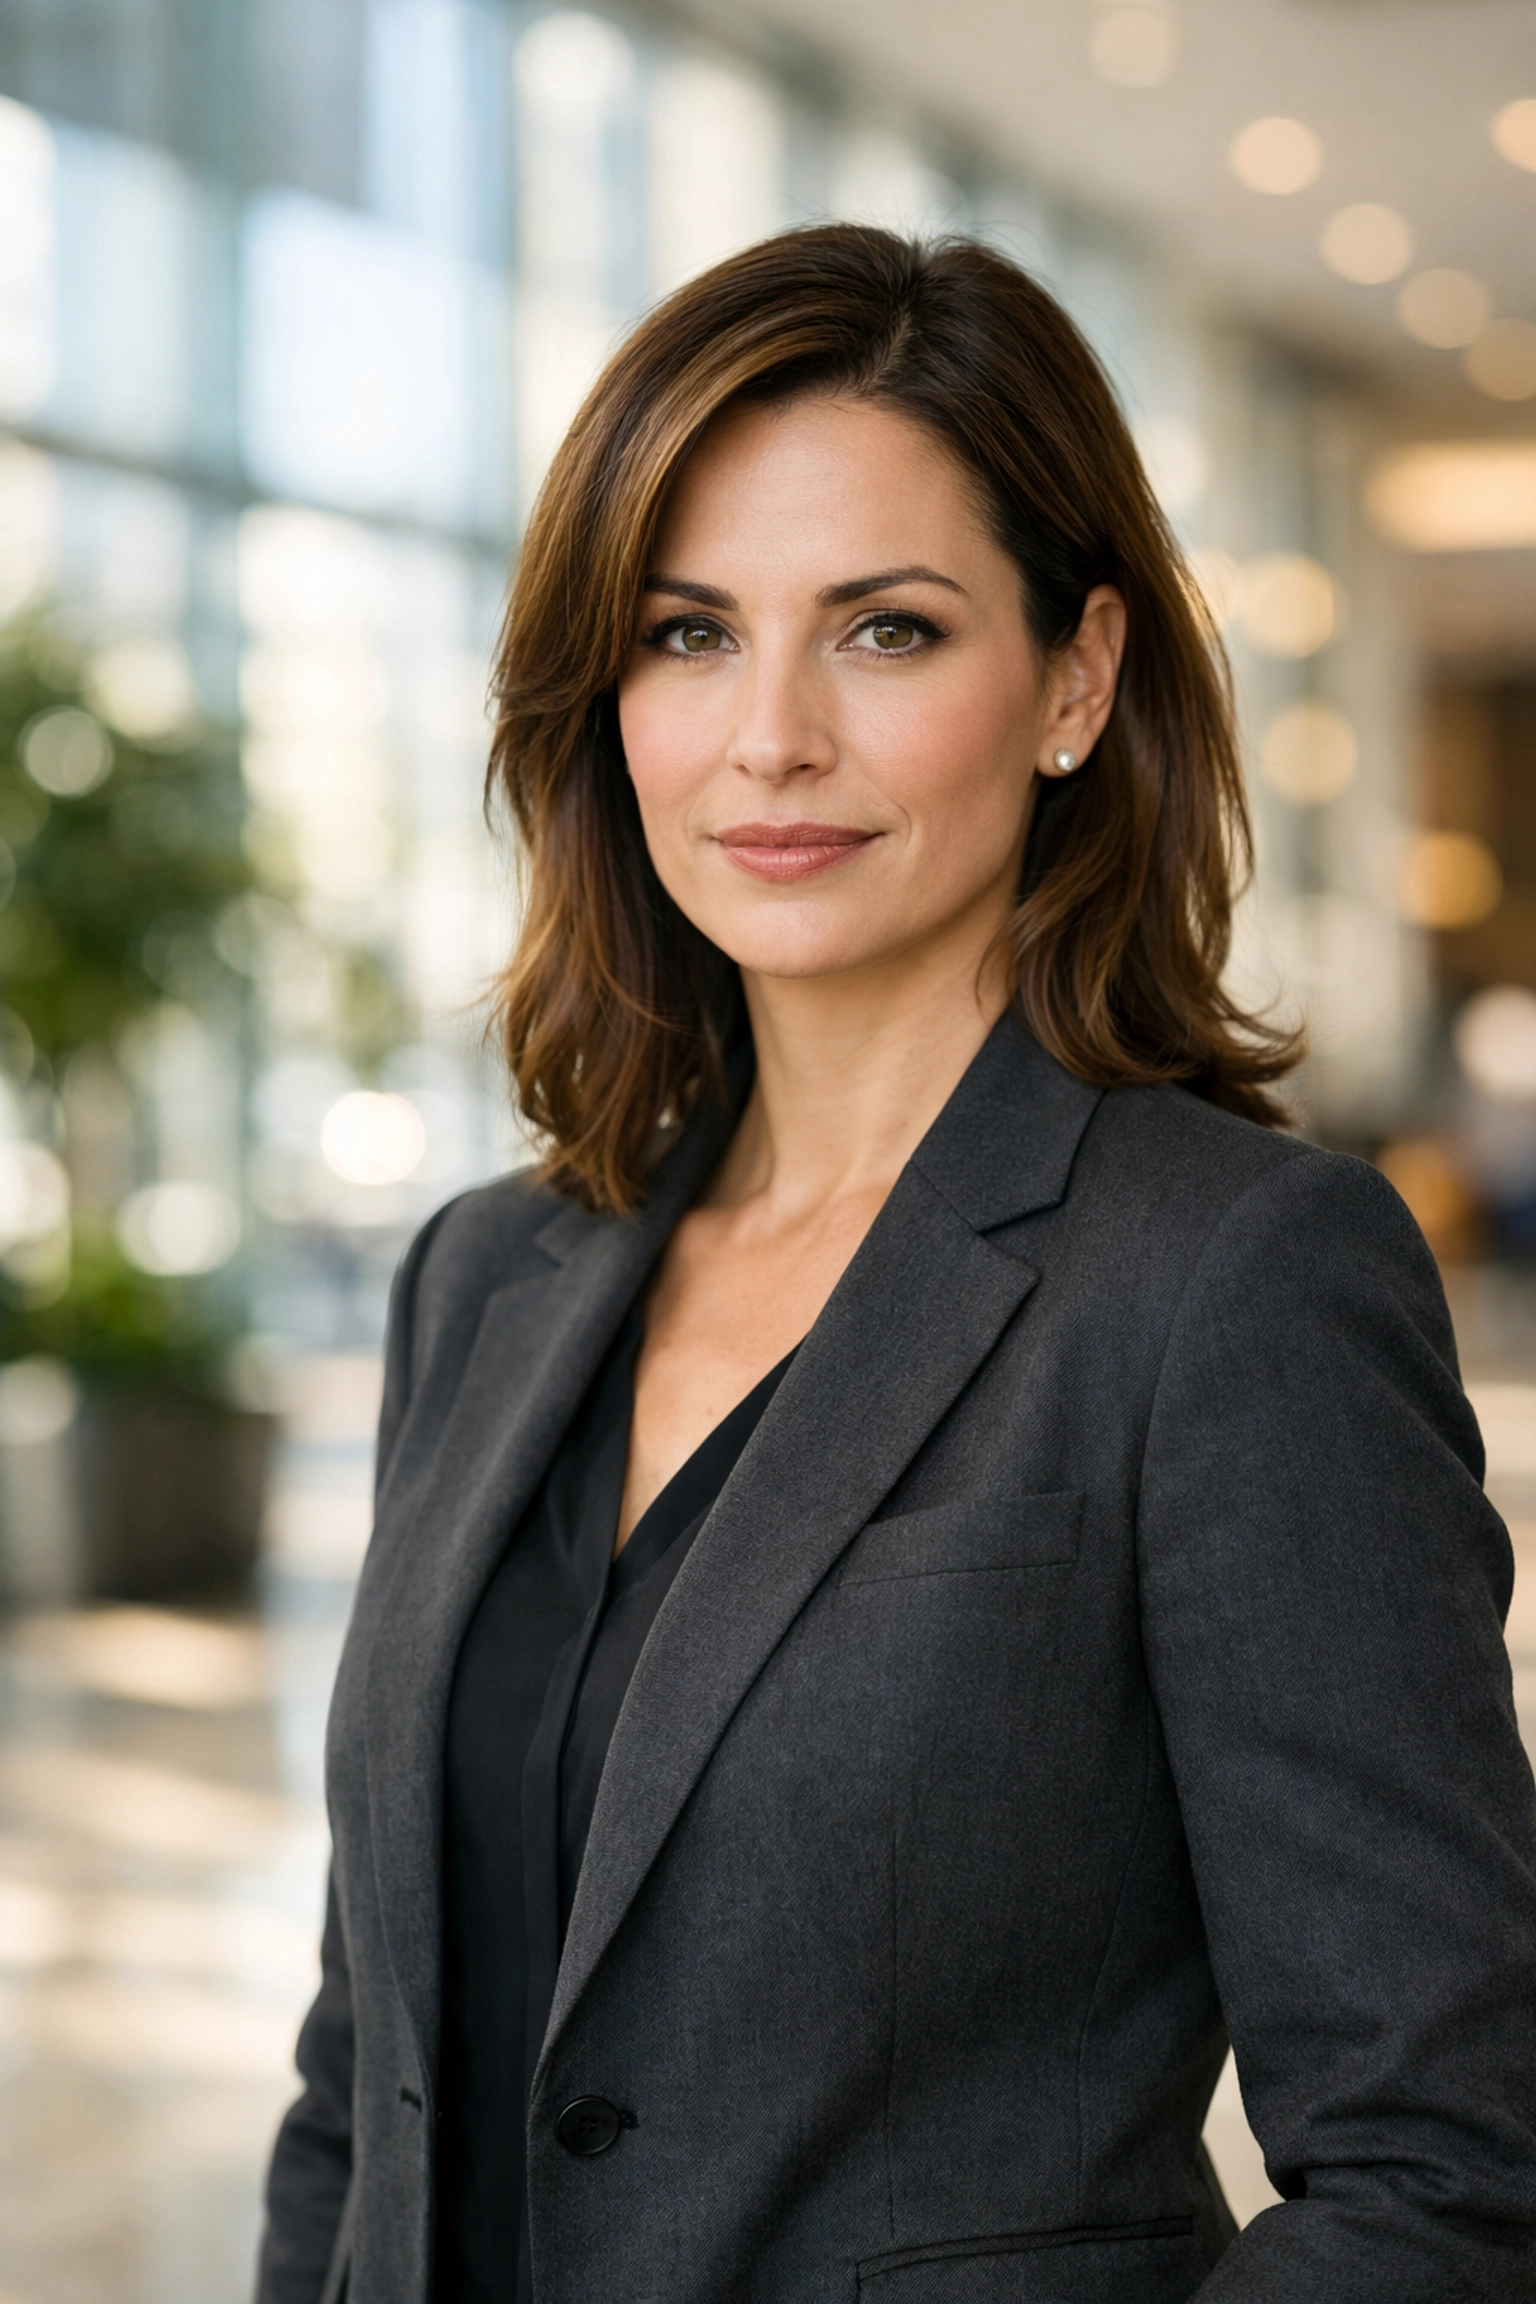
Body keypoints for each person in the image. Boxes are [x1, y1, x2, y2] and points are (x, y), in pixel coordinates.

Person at [257, 227, 1536, 2304]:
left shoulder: (1233, 1282)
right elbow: (359, 2088)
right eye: (687, 633)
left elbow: (1449, 2167)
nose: (768, 737)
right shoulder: (486, 1282)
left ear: (1075, 681)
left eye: (885, 632)